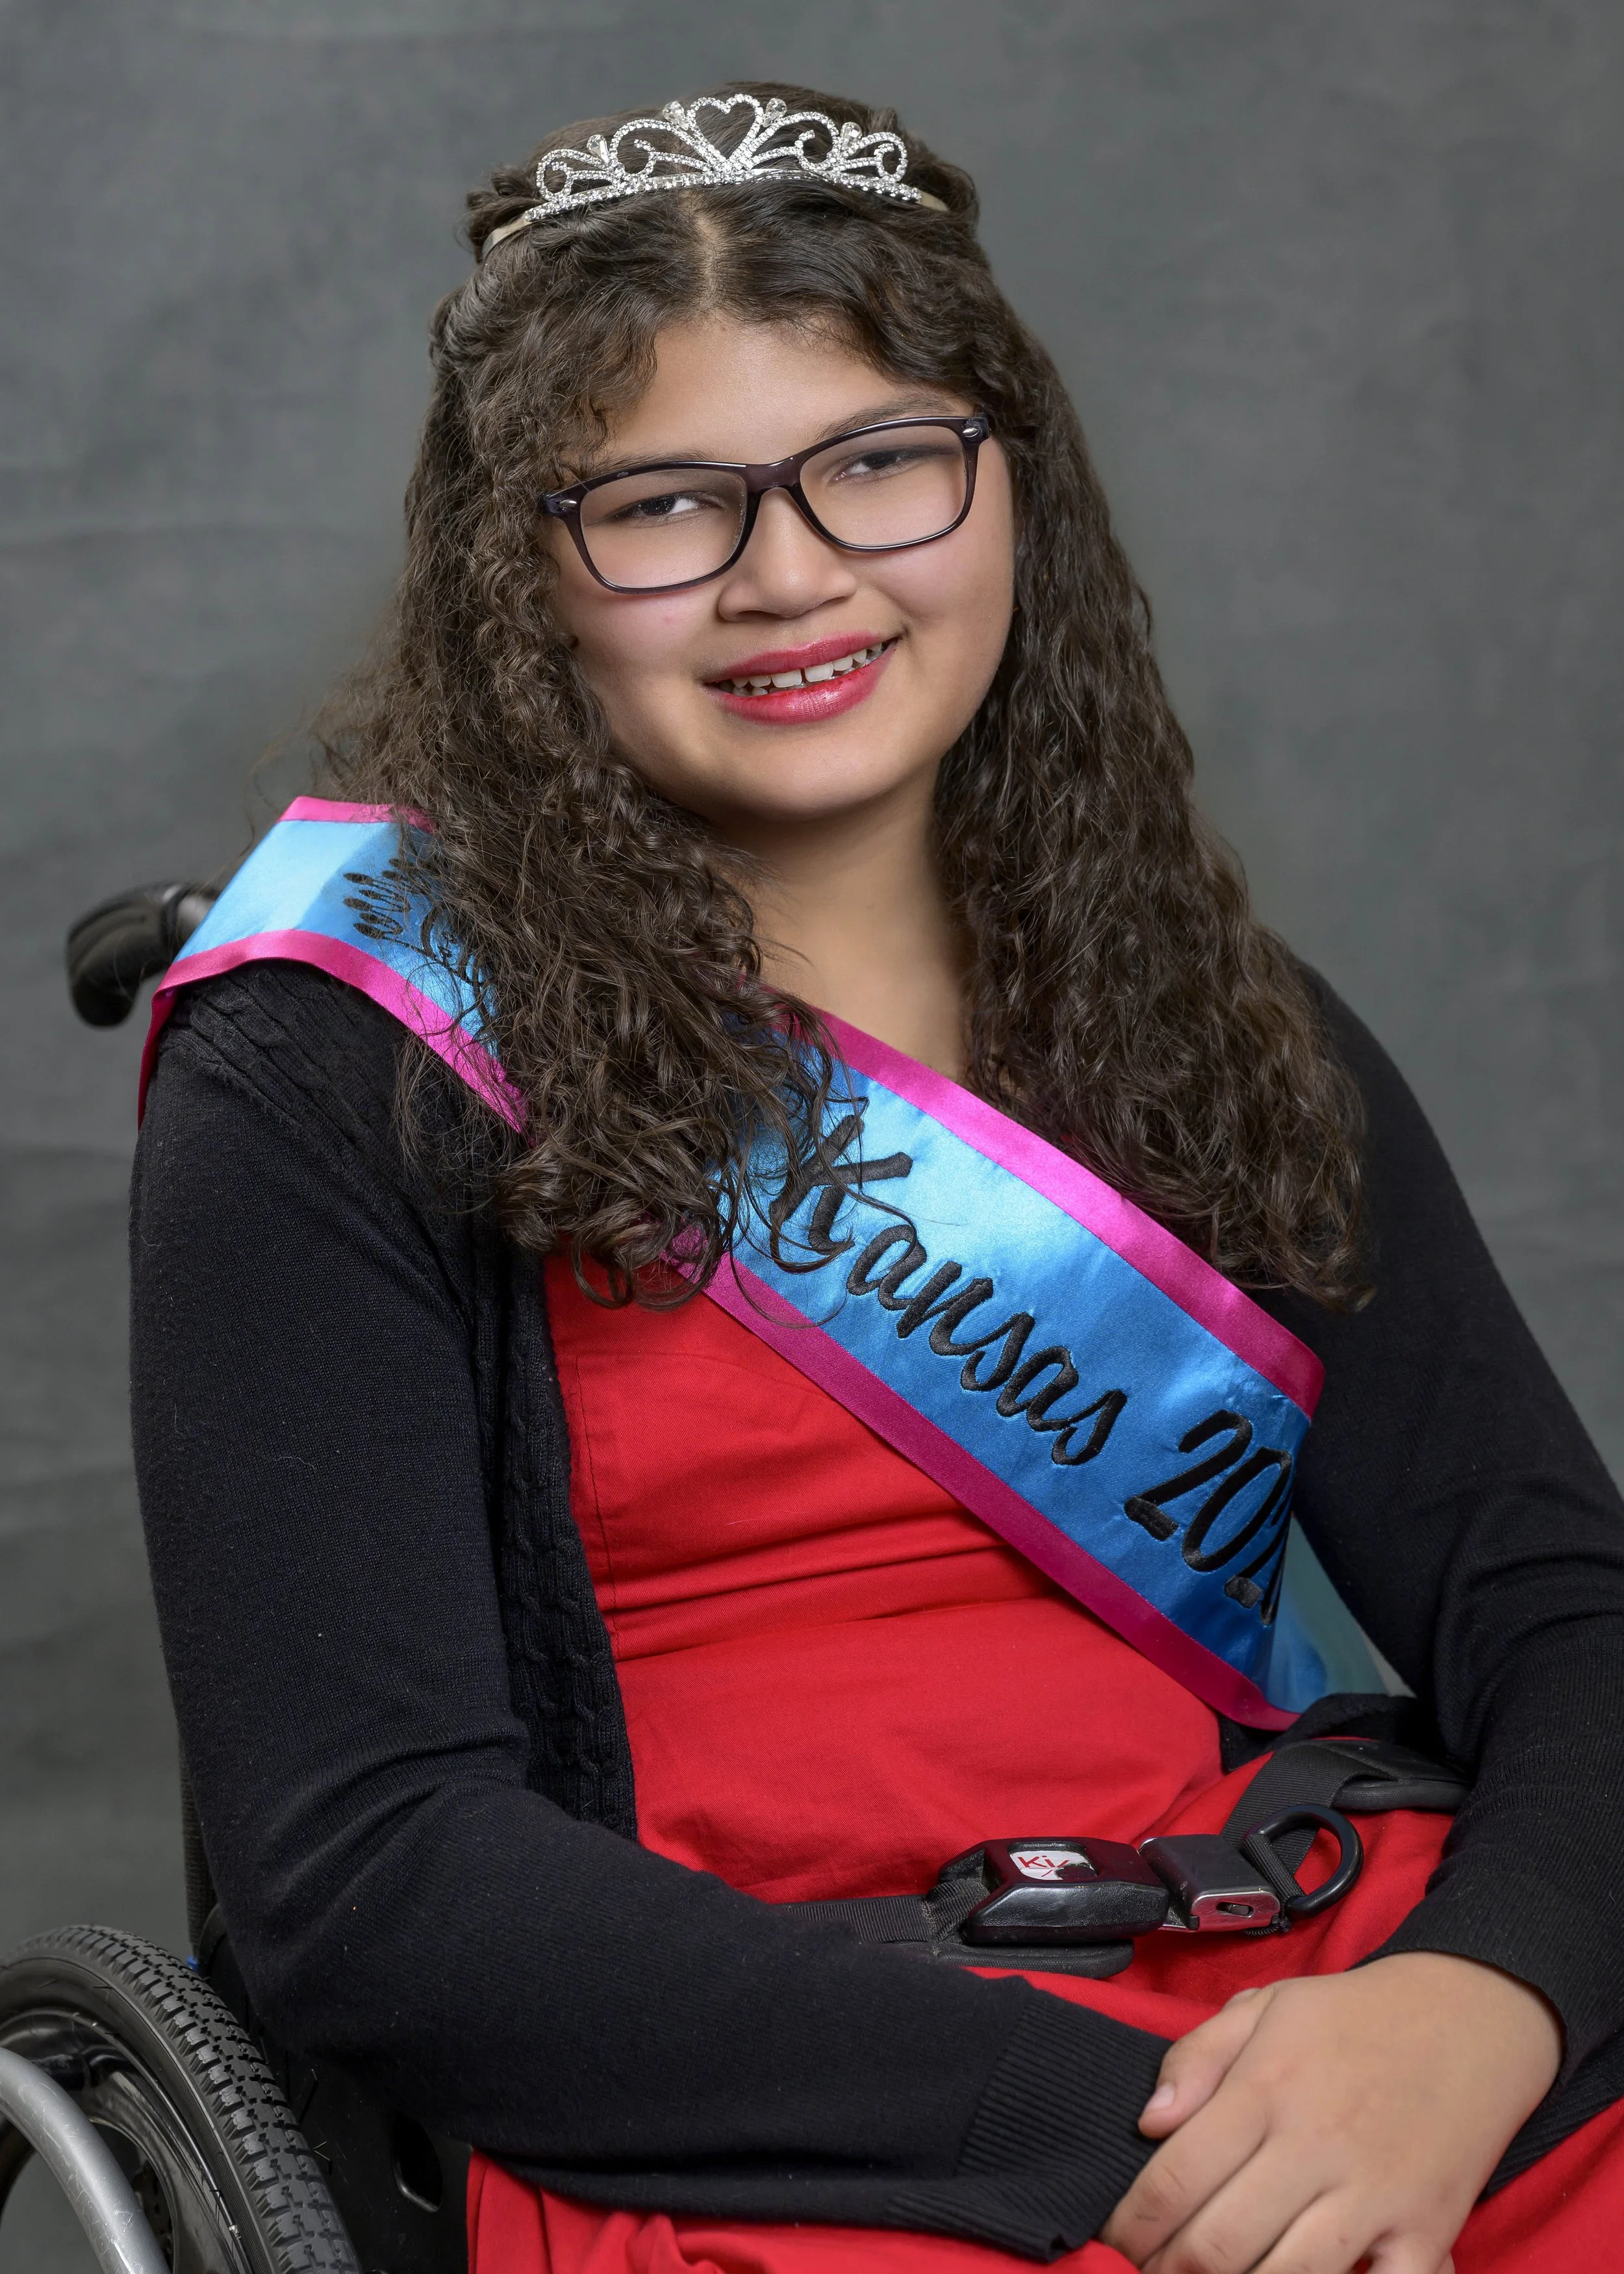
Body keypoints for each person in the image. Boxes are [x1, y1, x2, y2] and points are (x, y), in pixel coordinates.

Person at [130, 82, 1624, 2274]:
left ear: (1007, 479)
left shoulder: (1205, 1009)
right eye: (662, 504)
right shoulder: (333, 1062)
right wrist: (1131, 2135)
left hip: (1304, 2001)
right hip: (776, 2104)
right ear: (520, 566)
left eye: (879, 460)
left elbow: (1559, 1610)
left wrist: (1467, 2011)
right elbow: (374, 1872)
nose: (793, 572)